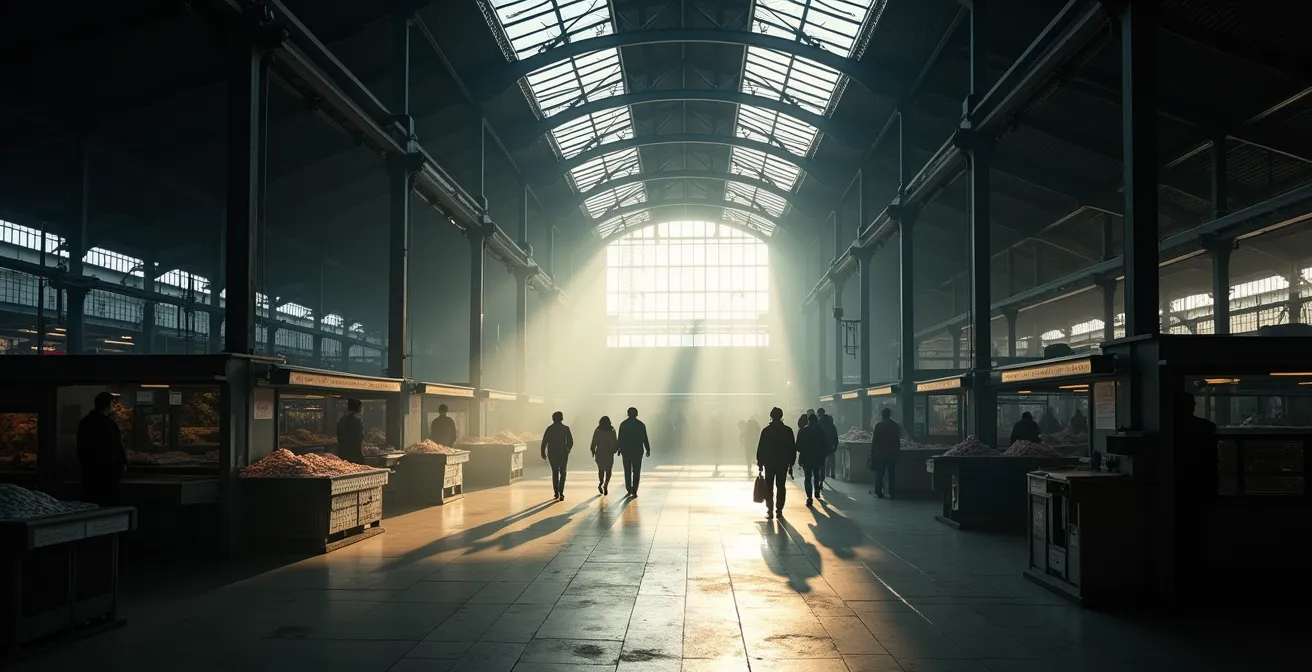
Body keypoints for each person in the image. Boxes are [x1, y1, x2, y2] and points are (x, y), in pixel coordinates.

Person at [77, 392, 126, 506]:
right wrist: (122, 464)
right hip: (107, 474)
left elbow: (80, 448)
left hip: (89, 472)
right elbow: (116, 447)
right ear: (109, 405)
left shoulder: (84, 422)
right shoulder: (109, 424)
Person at [756, 407, 796, 519]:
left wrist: (760, 462)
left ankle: (770, 509)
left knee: (769, 487)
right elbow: (792, 447)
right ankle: (779, 510)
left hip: (769, 463)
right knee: (781, 486)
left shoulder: (766, 431)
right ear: (781, 416)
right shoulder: (788, 431)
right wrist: (791, 463)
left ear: (771, 416)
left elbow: (761, 448)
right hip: (782, 463)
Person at [796, 412, 828, 506]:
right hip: (817, 458)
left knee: (807, 477)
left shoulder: (802, 431)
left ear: (808, 421)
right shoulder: (821, 431)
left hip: (806, 458)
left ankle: (809, 497)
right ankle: (817, 491)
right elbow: (825, 445)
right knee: (816, 475)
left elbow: (798, 446)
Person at [541, 411, 574, 501]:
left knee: (555, 473)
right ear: (562, 418)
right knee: (563, 473)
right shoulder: (565, 429)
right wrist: (567, 449)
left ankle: (556, 492)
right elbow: (570, 441)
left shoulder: (549, 429)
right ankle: (561, 492)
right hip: (563, 454)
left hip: (552, 453)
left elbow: (544, 441)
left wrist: (542, 452)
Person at [869, 408, 902, 498]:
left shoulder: (878, 426)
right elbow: (897, 441)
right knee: (891, 473)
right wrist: (897, 452)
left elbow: (874, 440)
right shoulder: (895, 426)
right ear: (889, 415)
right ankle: (891, 491)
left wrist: (872, 451)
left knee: (880, 473)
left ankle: (878, 491)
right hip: (892, 453)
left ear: (882, 415)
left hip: (880, 453)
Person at [618, 407, 651, 497]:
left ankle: (629, 488)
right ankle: (635, 489)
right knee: (636, 470)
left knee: (627, 470)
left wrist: (619, 449)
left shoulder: (623, 424)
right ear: (636, 414)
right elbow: (644, 438)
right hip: (637, 450)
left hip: (626, 451)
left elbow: (620, 438)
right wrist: (647, 448)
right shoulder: (640, 425)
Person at [590, 416, 619, 495]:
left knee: (601, 469)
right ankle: (606, 484)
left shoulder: (598, 430)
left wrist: (593, 450)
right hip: (609, 452)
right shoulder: (612, 430)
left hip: (600, 452)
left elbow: (594, 441)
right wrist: (616, 449)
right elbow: (615, 441)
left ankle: (601, 482)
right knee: (609, 469)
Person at [336, 398, 365, 463]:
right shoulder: (356, 420)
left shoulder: (342, 419)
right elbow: (359, 439)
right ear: (359, 408)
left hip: (342, 454)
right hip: (354, 456)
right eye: (361, 407)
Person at [817, 408, 840, 484]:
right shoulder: (830, 424)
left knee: (822, 462)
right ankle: (831, 472)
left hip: (820, 446)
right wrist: (835, 445)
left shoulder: (817, 424)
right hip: (829, 445)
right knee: (830, 458)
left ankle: (823, 475)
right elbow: (835, 435)